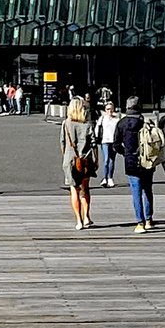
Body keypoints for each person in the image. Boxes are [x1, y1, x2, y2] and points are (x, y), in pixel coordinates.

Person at [113, 96, 156, 232]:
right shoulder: (145, 122)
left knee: (136, 192)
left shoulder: (121, 123)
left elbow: (116, 144)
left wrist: (126, 153)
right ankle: (149, 219)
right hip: (147, 159)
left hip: (131, 160)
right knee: (147, 190)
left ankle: (140, 222)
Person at [60, 97, 98, 229]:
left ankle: (78, 221)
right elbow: (94, 143)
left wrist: (66, 156)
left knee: (73, 190)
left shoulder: (66, 123)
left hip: (70, 159)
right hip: (85, 160)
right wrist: (96, 159)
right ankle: (86, 216)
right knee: (85, 189)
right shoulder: (87, 124)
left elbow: (63, 143)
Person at [95, 102, 120, 188]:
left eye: (111, 109)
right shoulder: (102, 118)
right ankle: (104, 178)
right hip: (104, 141)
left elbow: (119, 131)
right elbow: (97, 129)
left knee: (112, 160)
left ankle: (110, 178)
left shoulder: (116, 119)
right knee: (106, 159)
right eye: (108, 109)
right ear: (105, 110)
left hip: (114, 141)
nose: (110, 111)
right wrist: (96, 138)